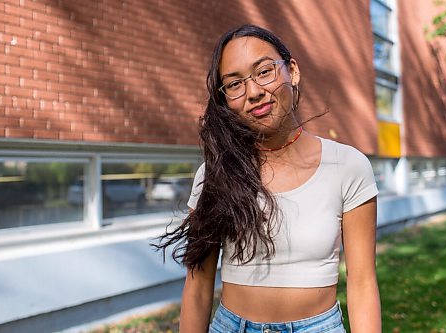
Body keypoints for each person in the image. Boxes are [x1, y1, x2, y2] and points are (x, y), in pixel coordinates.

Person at [155, 24, 381, 333]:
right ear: (224, 100)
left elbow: (363, 283)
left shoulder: (348, 165)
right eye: (234, 84)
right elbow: (197, 286)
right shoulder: (215, 173)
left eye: (264, 72)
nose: (253, 92)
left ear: (292, 71)